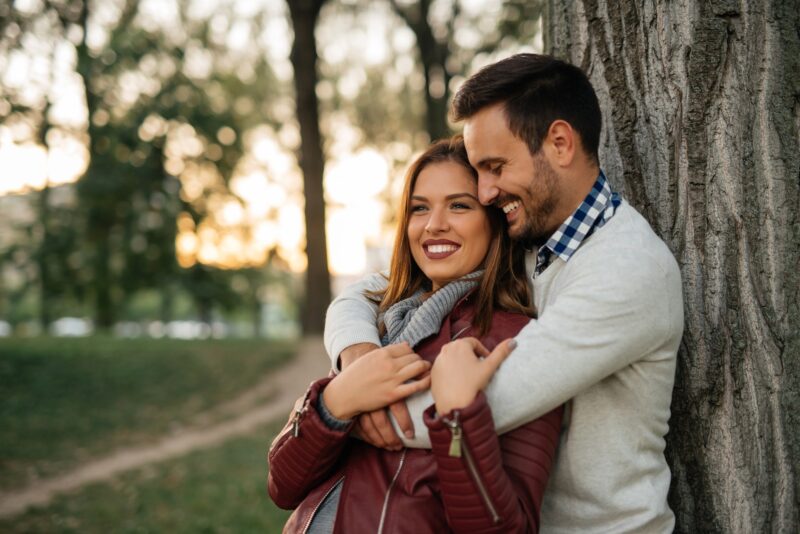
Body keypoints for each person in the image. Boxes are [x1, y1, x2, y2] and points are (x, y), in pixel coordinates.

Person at [324, 53, 684, 532]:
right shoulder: (534, 237)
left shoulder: (626, 270)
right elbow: (370, 290)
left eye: (495, 166)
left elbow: (486, 401)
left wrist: (343, 405)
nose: (486, 192)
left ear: (559, 143)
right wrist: (359, 356)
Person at [268, 137, 563, 533]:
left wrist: (457, 418)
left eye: (459, 205)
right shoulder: (378, 325)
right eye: (419, 208)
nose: (433, 224)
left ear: (495, 220)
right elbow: (283, 486)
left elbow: (506, 528)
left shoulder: (515, 343)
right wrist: (335, 402)